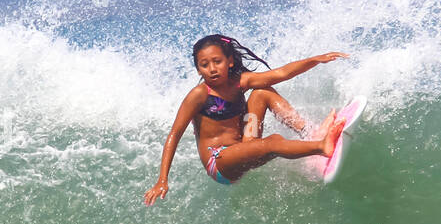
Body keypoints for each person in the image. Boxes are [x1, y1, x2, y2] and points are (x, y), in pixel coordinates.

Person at [144, 34, 348, 198]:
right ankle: (322, 147)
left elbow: (280, 74)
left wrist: (314, 60)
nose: (212, 69)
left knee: (262, 91)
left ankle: (308, 132)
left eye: (217, 61)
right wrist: (163, 179)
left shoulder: (239, 81)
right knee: (273, 141)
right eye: (205, 65)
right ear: (198, 69)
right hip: (221, 162)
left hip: (244, 143)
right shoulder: (199, 95)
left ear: (230, 61)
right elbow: (174, 134)